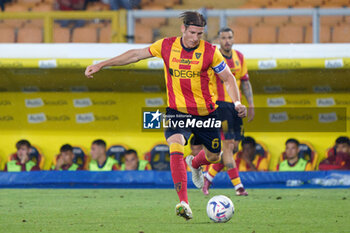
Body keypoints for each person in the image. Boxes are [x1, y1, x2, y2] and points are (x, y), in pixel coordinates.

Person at [85, 11, 246, 220]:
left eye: (200, 34)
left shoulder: (210, 52)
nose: (196, 38)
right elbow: (135, 54)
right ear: (183, 29)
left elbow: (228, 79)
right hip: (177, 111)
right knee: (176, 145)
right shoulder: (167, 46)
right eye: (192, 32)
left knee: (215, 155)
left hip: (206, 113)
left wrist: (237, 102)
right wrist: (101, 64)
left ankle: (195, 163)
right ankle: (183, 203)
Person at [202, 27, 254, 196]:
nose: (227, 41)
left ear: (233, 38)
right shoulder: (213, 57)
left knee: (233, 148)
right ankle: (239, 187)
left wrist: (251, 104)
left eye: (229, 37)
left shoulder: (239, 57)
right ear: (219, 40)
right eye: (223, 38)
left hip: (235, 107)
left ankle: (208, 177)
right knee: (228, 147)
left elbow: (245, 82)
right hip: (219, 106)